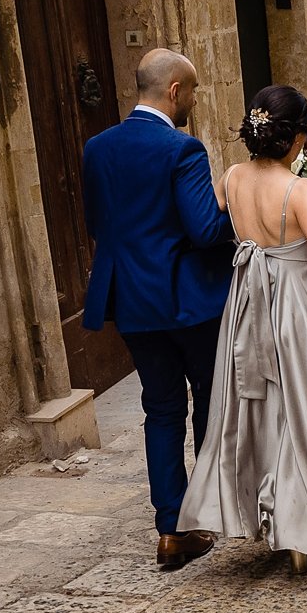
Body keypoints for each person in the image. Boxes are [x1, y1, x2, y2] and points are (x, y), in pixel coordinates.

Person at [178, 85, 307, 571]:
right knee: (304, 406)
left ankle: (266, 512)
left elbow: (211, 227)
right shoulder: (298, 189)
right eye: (306, 137)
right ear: (294, 139)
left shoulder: (231, 177)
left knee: (257, 407)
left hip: (248, 302)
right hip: (294, 307)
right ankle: (300, 528)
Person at [81, 49, 238, 571]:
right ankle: (211, 507)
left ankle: (172, 528)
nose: (193, 101)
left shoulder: (97, 148)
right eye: (192, 91)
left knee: (161, 408)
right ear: (175, 91)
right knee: (211, 403)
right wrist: (234, 211)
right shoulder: (182, 149)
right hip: (189, 301)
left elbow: (98, 225)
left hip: (132, 302)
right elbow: (204, 230)